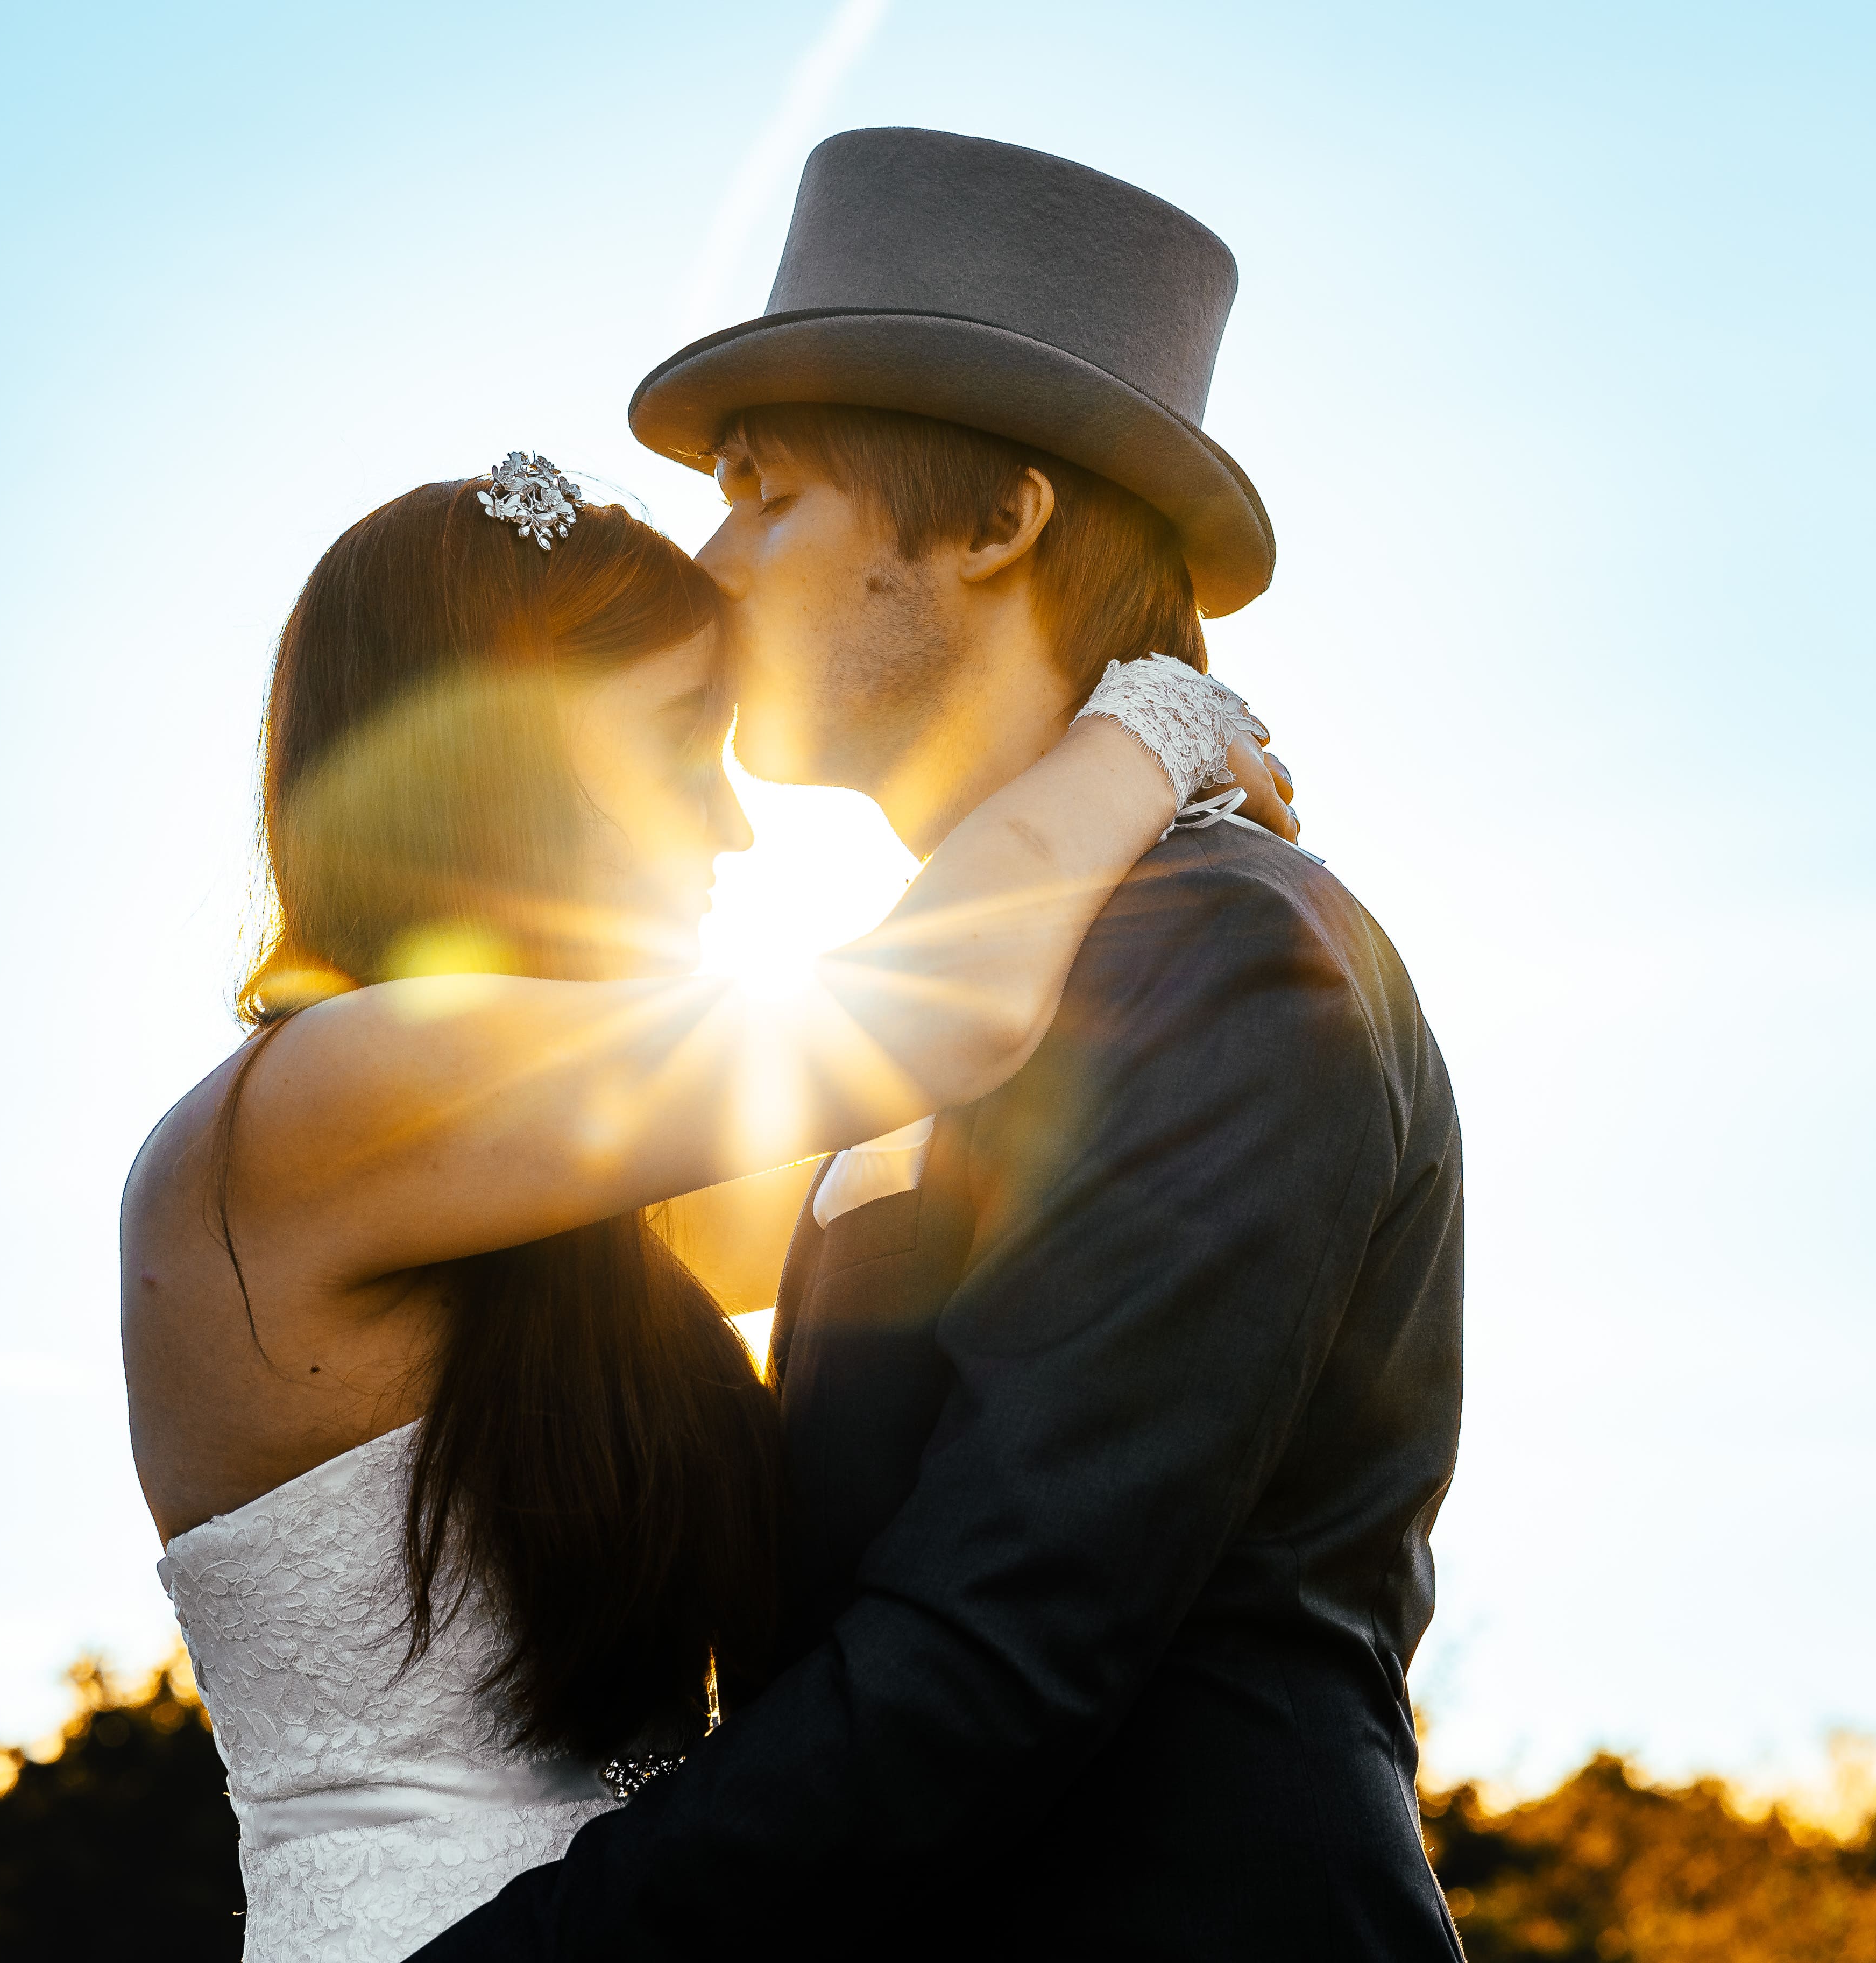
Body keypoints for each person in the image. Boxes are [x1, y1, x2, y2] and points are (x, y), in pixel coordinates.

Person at [417, 128, 1467, 1962]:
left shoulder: (1231, 961)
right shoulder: (917, 999)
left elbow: (993, 1659)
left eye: (763, 494)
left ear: (994, 523)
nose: (709, 562)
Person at [121, 456, 1287, 1963]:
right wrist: (1151, 724)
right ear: (498, 756)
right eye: (682, 748)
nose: (734, 832)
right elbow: (937, 1024)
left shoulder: (561, 1188)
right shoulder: (333, 1094)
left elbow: (933, 1167)